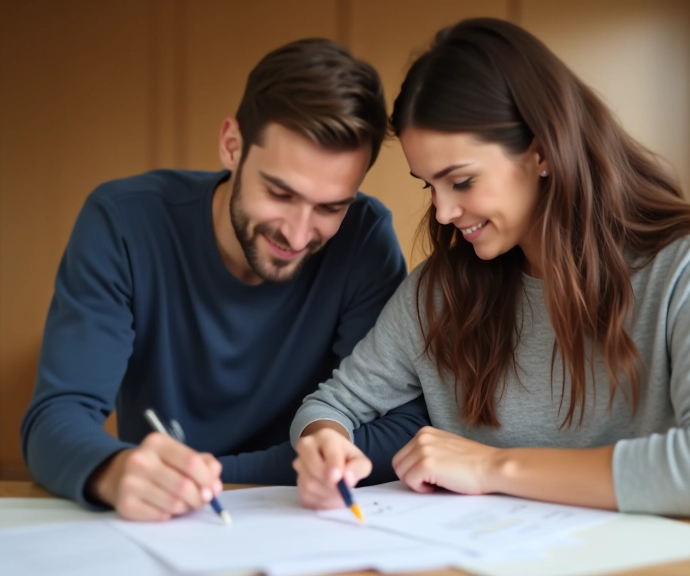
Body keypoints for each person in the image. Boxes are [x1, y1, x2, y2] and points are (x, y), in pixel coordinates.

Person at [291, 18, 690, 520]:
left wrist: (493, 468)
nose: (442, 212)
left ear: (540, 150)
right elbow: (331, 406)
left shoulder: (687, 268)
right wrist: (324, 444)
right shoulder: (439, 293)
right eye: (428, 185)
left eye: (462, 180)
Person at [21, 38, 429, 521]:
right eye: (279, 192)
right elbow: (55, 417)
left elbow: (399, 427)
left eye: (330, 207)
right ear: (231, 145)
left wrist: (212, 474)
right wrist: (115, 470)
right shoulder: (122, 222)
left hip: (303, 523)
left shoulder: (363, 239)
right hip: (162, 522)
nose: (298, 235)